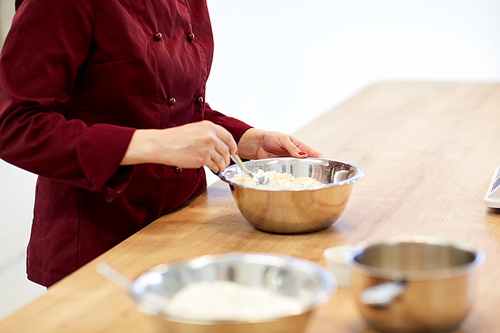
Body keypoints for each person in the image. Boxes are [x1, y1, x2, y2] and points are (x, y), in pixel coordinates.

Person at [0, 0, 323, 287]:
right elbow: (14, 124)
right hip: (100, 242)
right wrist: (152, 145)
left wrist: (243, 139)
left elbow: (168, 105)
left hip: (186, 225)